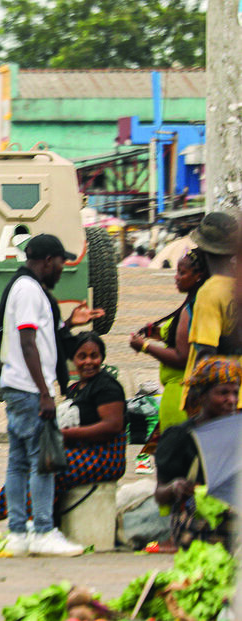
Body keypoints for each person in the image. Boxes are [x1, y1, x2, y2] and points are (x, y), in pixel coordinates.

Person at [0, 233, 105, 557]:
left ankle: (18, 534)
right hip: (28, 389)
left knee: (19, 462)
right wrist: (45, 393)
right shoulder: (28, 290)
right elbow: (27, 342)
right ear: (48, 260)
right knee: (43, 462)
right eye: (61, 263)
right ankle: (42, 531)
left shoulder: (26, 287)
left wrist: (67, 323)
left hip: (18, 386)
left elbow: (42, 337)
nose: (62, 270)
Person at [0, 333, 126, 538]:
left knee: (48, 466)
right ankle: (17, 521)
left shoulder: (107, 387)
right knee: (31, 461)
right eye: (82, 356)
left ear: (102, 358)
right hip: (81, 449)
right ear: (74, 359)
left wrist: (69, 435)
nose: (88, 362)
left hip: (104, 456)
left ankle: (37, 525)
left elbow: (112, 426)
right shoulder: (76, 388)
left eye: (94, 356)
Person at [130, 249, 210, 472]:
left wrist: (145, 346)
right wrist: (156, 333)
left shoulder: (190, 308)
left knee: (175, 469)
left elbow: (181, 356)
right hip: (183, 396)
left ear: (198, 276)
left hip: (179, 396)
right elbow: (180, 338)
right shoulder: (197, 304)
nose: (176, 277)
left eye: (182, 273)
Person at [155, 356, 242, 550]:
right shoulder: (180, 437)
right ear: (202, 396)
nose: (231, 400)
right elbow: (160, 494)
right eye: (223, 393)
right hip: (197, 529)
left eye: (235, 393)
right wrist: (175, 487)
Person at [183, 212, 242, 397]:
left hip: (220, 403)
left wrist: (195, 395)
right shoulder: (237, 287)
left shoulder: (210, 293)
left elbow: (206, 353)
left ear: (202, 250)